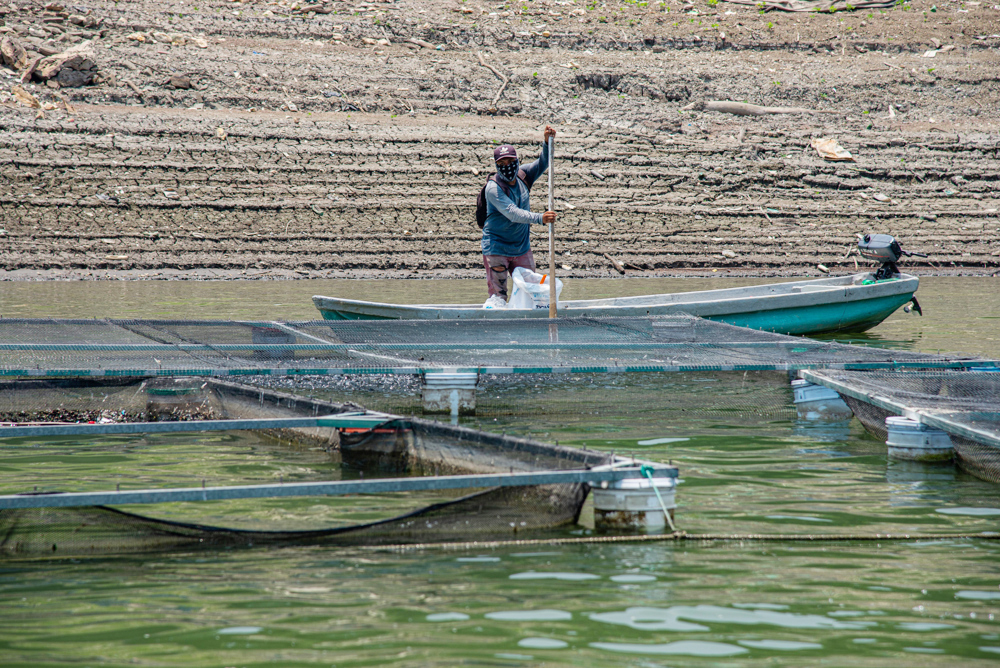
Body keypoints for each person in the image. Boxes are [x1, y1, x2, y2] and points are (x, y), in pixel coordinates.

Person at [481, 125, 557, 303]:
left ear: (516, 161)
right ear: (496, 165)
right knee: (498, 297)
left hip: (521, 248)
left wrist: (547, 142)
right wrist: (541, 218)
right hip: (497, 248)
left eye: (510, 162)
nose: (507, 166)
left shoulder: (524, 175)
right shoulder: (493, 188)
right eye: (502, 164)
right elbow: (513, 214)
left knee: (532, 293)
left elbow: (543, 163)